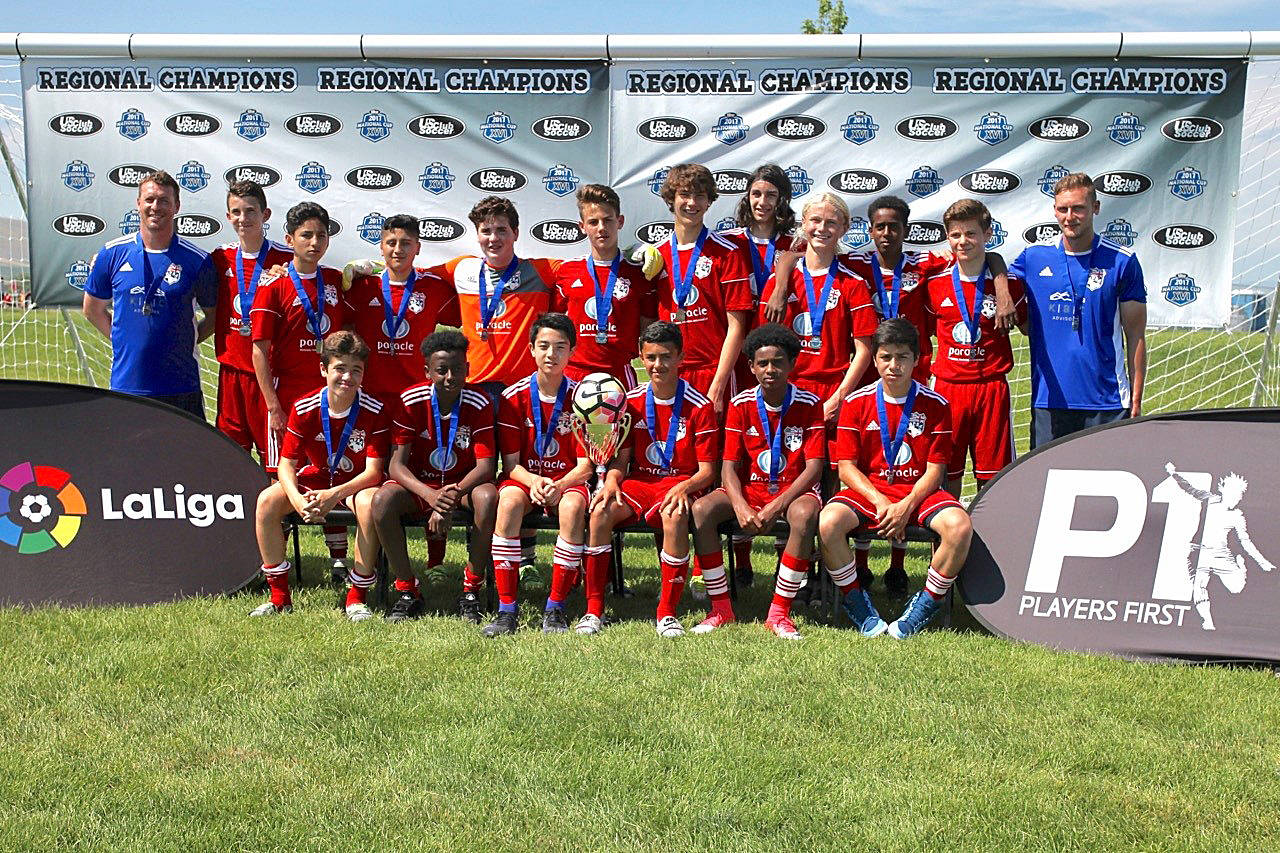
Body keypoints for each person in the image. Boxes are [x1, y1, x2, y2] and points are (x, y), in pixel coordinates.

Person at [767, 193, 1007, 594]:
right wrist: (781, 278)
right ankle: (844, 564)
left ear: (906, 230)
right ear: (868, 230)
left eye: (894, 226)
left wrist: (999, 284)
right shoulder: (856, 266)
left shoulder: (924, 265)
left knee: (907, 463)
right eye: (879, 226)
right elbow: (795, 254)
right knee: (861, 466)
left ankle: (902, 565)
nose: (886, 234)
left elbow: (986, 258)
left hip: (920, 379)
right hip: (867, 382)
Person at [818, 318, 972, 639]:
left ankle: (924, 607)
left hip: (919, 492)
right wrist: (881, 501)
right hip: (872, 491)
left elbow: (936, 470)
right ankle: (856, 601)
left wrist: (907, 505)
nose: (893, 366)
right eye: (885, 357)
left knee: (960, 526)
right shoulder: (856, 402)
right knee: (829, 521)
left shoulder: (937, 405)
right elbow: (846, 468)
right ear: (874, 360)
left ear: (917, 359)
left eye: (902, 357)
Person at [688, 324, 826, 639]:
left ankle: (779, 614)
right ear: (750, 366)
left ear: (792, 364)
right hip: (749, 490)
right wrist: (739, 505)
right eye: (762, 363)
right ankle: (721, 609)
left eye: (778, 362)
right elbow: (728, 468)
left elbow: (815, 468)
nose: (770, 369)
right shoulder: (740, 403)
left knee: (805, 515)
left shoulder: (810, 403)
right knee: (702, 510)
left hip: (793, 491)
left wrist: (778, 505)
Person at [582, 322, 718, 637]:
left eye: (666, 357)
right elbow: (621, 458)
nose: (658, 365)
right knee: (601, 511)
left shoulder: (700, 406)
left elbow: (707, 471)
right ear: (641, 358)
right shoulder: (628, 402)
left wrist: (684, 487)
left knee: (674, 515)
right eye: (651, 357)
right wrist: (613, 480)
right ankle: (593, 610)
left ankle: (667, 613)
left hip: (683, 482)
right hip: (640, 483)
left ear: (681, 357)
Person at [249, 330, 389, 621]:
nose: (347, 378)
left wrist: (333, 495)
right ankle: (279, 598)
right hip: (317, 478)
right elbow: (286, 465)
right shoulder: (305, 407)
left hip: (354, 485)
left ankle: (356, 598)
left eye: (356, 370)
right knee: (266, 501)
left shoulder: (374, 409)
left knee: (368, 503)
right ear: (323, 369)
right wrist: (299, 501)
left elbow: (373, 472)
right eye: (340, 369)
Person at [249, 202, 353, 575]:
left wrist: (366, 268)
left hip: (330, 397)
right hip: (288, 398)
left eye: (321, 235)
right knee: (280, 475)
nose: (314, 242)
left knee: (333, 468)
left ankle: (339, 557)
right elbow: (259, 350)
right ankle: (276, 563)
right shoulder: (272, 283)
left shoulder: (337, 281)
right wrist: (273, 405)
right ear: (290, 239)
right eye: (306, 235)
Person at [1009, 172, 1147, 449]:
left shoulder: (1122, 261)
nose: (1070, 217)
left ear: (1095, 208)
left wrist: (1136, 397)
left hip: (1107, 401)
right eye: (1063, 209)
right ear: (1055, 210)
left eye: (1078, 208)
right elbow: (993, 274)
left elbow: (1135, 335)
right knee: (1048, 484)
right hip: (1050, 400)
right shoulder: (1034, 258)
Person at [373, 330, 498, 624]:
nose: (450, 377)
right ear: (427, 371)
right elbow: (396, 466)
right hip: (421, 486)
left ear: (468, 369)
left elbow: (486, 467)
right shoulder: (410, 400)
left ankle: (471, 590)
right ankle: (407, 590)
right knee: (381, 501)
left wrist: (450, 497)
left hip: (463, 485)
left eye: (457, 369)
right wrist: (431, 497)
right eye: (441, 370)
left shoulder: (479, 402)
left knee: (489, 496)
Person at [486, 313, 593, 636]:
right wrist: (534, 482)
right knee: (508, 502)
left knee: (574, 507)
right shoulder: (512, 397)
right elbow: (511, 462)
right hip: (525, 479)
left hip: (568, 481)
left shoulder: (586, 397)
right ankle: (506, 609)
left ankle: (555, 606)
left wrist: (558, 485)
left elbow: (587, 464)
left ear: (572, 351)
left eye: (560, 347)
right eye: (544, 346)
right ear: (531, 349)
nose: (551, 354)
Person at [82, 170, 217, 418]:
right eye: (149, 199)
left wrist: (187, 341)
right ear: (138, 204)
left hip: (181, 387)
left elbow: (214, 316)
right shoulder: (112, 254)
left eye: (164, 200)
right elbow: (92, 309)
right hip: (128, 386)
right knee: (127, 457)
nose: (156, 207)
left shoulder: (197, 260)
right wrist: (122, 340)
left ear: (176, 206)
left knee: (184, 457)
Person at [720, 164, 799, 585]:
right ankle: (742, 556)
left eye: (771, 194)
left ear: (782, 199)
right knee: (743, 451)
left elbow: (807, 257)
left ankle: (786, 550)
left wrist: (785, 267)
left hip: (779, 360)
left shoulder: (797, 242)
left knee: (784, 448)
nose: (762, 202)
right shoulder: (728, 242)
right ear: (746, 198)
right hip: (738, 359)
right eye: (755, 194)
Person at [925, 199, 1025, 496]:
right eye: (955, 235)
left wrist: (1003, 285)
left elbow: (1031, 329)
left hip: (990, 388)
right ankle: (944, 541)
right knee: (946, 474)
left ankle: (986, 540)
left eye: (971, 233)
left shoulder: (1011, 287)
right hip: (947, 389)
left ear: (987, 234)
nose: (962, 241)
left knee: (993, 476)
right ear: (947, 237)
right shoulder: (934, 283)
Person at [653, 163, 754, 414]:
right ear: (671, 198)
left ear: (709, 202)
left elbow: (737, 326)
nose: (692, 203)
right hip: (669, 371)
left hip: (713, 372)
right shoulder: (656, 255)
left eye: (700, 196)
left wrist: (718, 386)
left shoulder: (727, 253)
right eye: (684, 194)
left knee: (715, 453)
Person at [210, 180, 294, 457]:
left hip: (269, 376)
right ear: (228, 216)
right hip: (231, 371)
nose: (243, 218)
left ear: (265, 215)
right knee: (231, 456)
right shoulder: (219, 258)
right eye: (236, 212)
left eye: (250, 211)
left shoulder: (286, 259)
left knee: (275, 460)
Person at [343, 214, 460, 404]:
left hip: (416, 396)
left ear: (418, 248)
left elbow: (469, 319)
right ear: (381, 247)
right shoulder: (363, 286)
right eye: (391, 243)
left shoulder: (435, 288)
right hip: (368, 396)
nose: (398, 250)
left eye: (406, 243)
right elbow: (342, 325)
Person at [554, 184, 659, 388]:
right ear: (582, 226)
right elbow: (555, 327)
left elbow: (648, 330)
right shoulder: (567, 271)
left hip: (620, 372)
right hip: (574, 372)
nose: (601, 228)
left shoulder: (639, 273)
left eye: (607, 220)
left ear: (620, 222)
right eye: (593, 222)